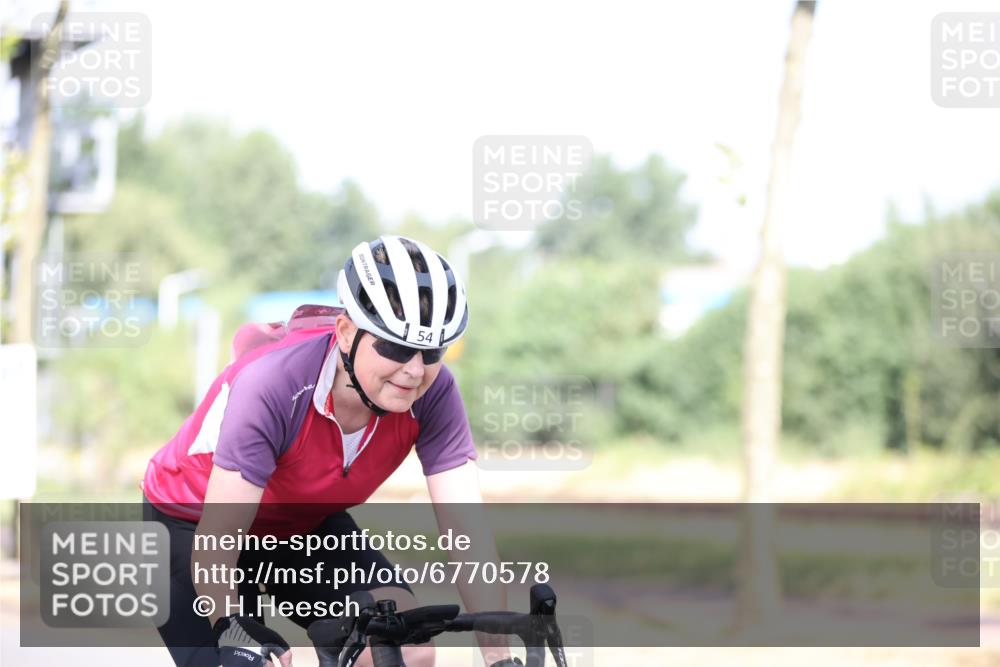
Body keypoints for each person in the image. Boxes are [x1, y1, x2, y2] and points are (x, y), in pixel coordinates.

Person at [142, 236, 520, 667]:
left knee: (406, 648)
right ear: (345, 333)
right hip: (191, 523)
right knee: (252, 662)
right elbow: (218, 539)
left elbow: (466, 531)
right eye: (395, 347)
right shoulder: (274, 386)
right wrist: (231, 626)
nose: (414, 370)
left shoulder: (434, 394)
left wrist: (499, 658)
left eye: (432, 350)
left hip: (300, 523)